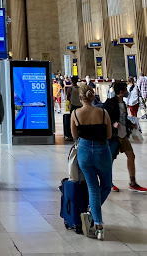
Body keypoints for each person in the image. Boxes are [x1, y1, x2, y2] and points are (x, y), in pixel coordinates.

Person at [71, 84, 112, 240]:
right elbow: (108, 135)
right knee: (106, 186)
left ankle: (99, 226)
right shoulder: (103, 113)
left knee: (93, 188)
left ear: (80, 98)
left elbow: (75, 135)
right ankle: (90, 212)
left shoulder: (75, 113)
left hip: (84, 152)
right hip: (102, 151)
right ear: (93, 97)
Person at [104, 81, 147, 193]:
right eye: (125, 90)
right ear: (121, 91)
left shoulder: (123, 103)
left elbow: (123, 117)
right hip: (114, 136)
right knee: (110, 160)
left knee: (131, 156)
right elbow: (105, 116)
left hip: (123, 135)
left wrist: (130, 123)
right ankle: (108, 182)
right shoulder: (110, 102)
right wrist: (112, 124)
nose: (127, 91)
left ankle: (133, 183)